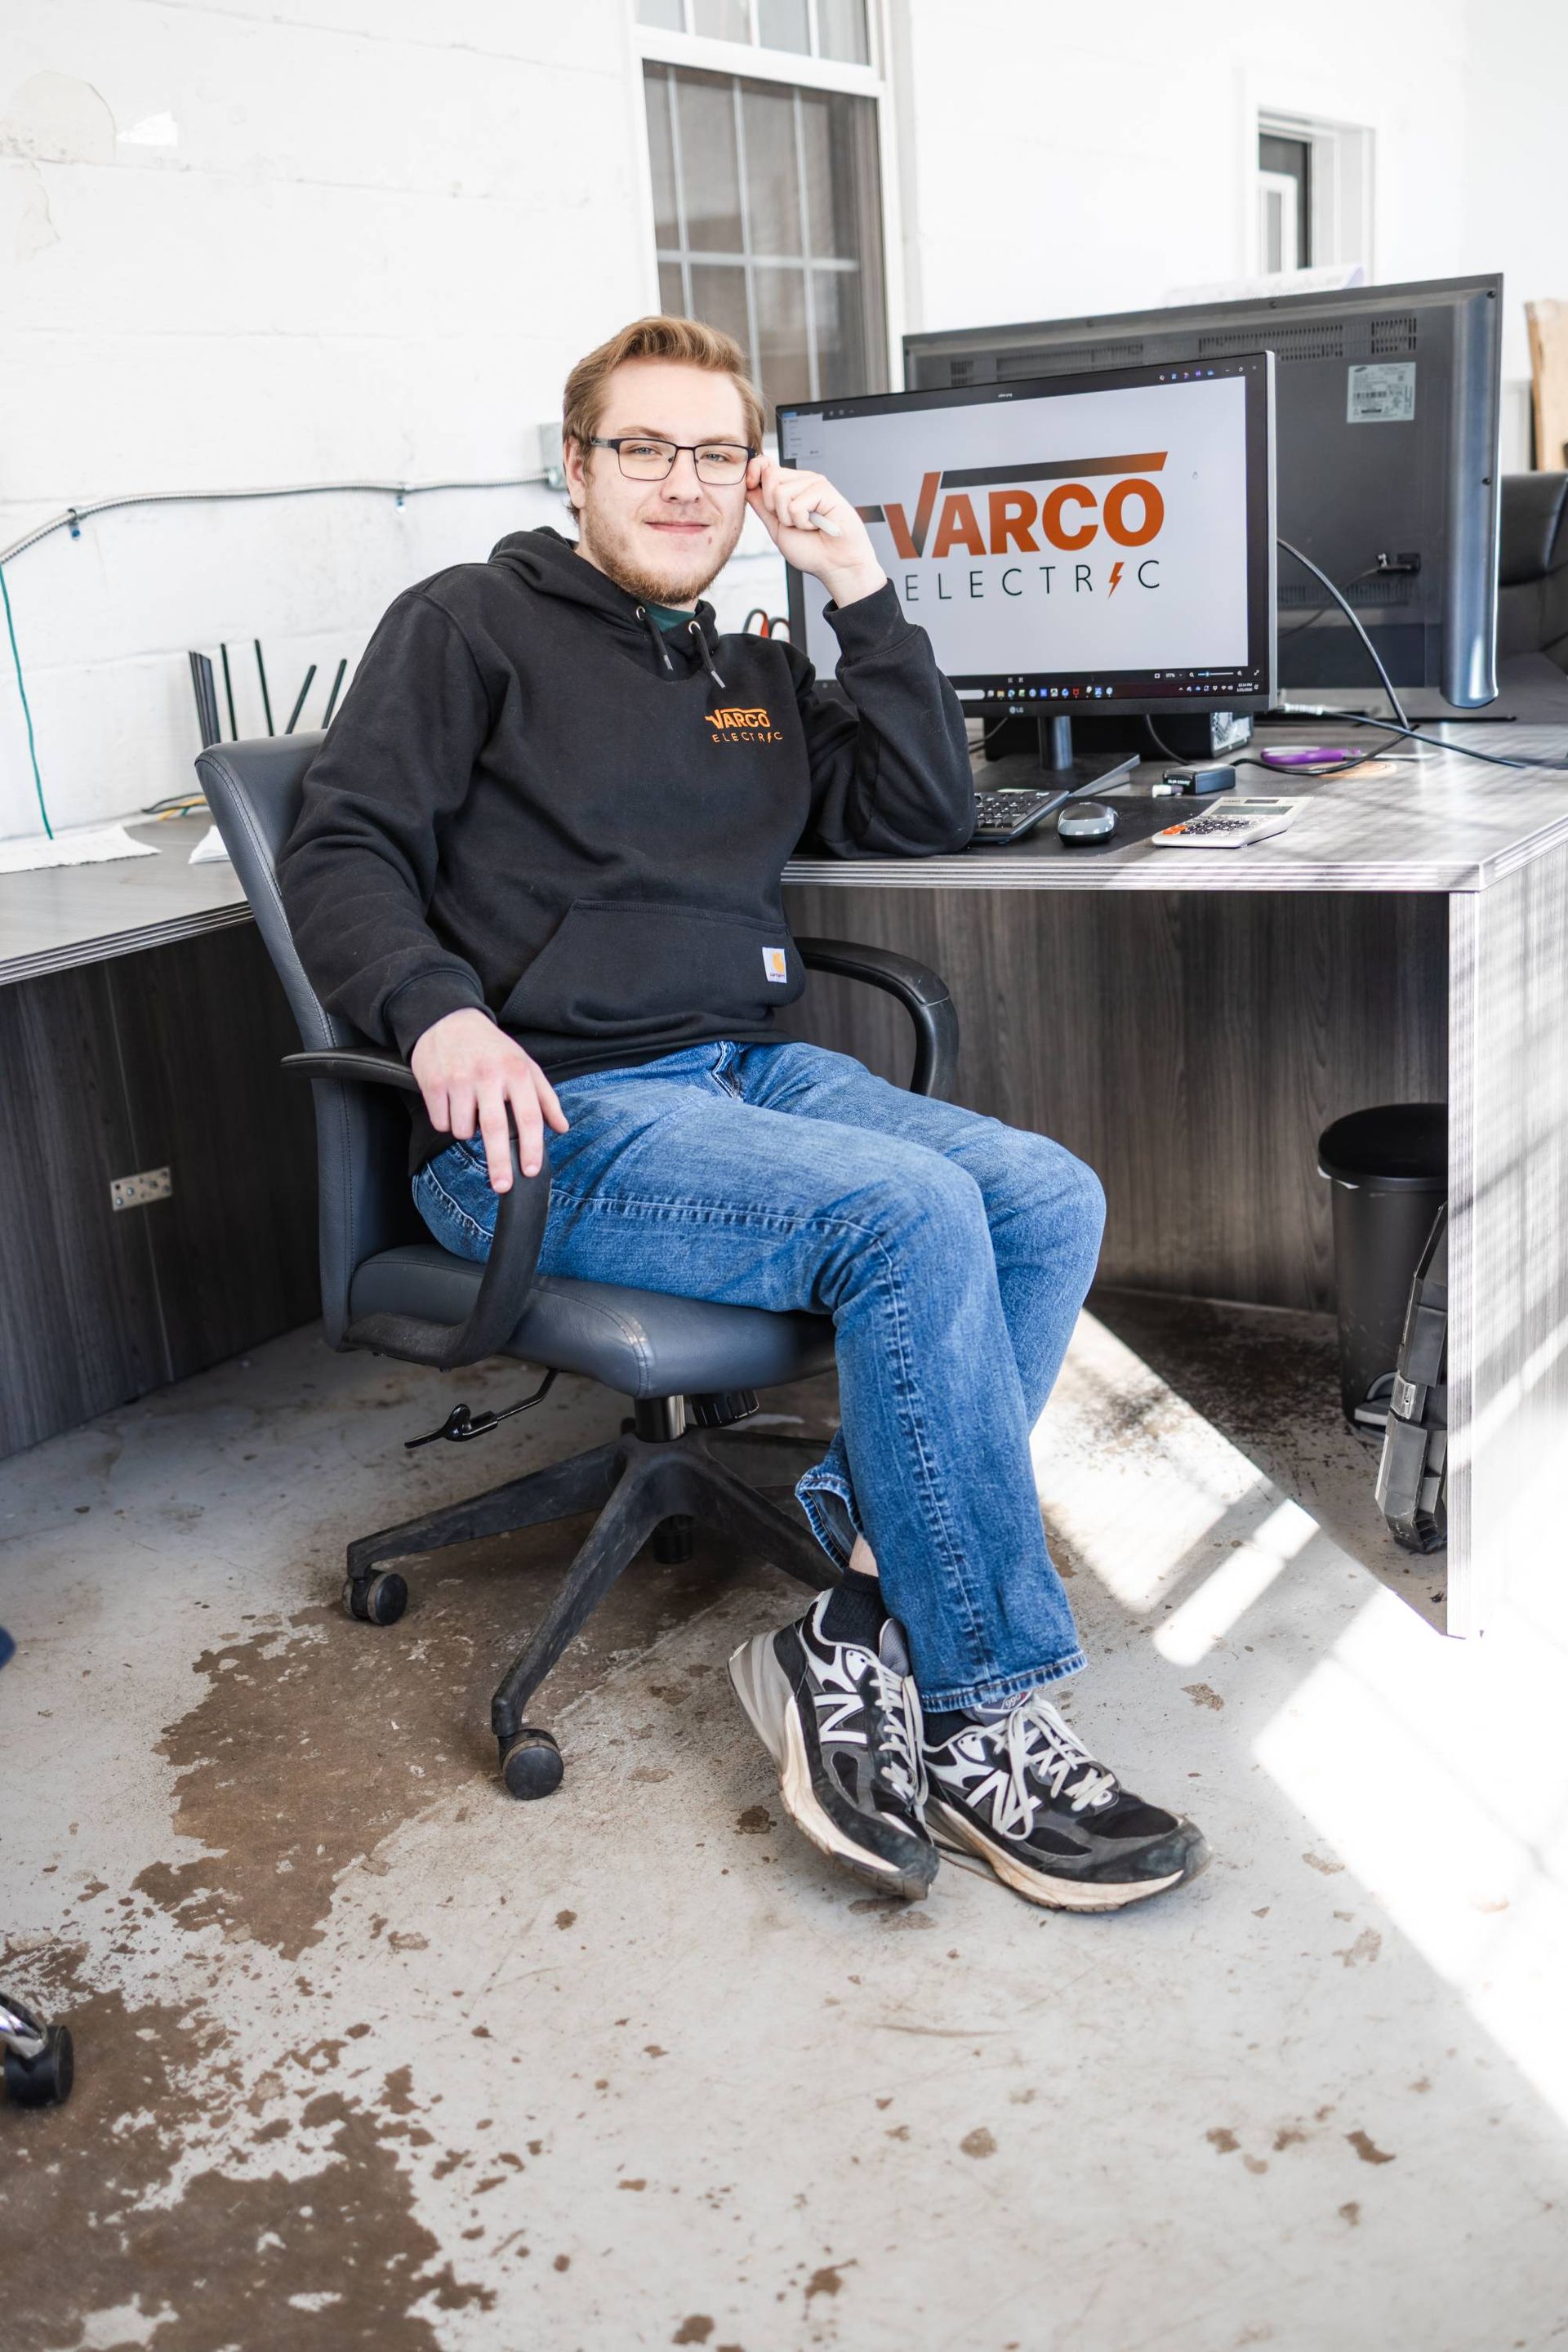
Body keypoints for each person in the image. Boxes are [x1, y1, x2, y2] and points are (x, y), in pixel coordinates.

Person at [278, 314, 1207, 1913]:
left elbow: (924, 809)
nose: (683, 482)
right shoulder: (466, 627)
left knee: (1046, 1196)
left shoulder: (751, 670)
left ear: (754, 478)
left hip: (746, 1076)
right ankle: (981, 1715)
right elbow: (339, 850)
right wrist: (439, 1017)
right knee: (908, 1215)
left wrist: (863, 590)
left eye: (718, 453)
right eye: (644, 447)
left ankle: (851, 1614)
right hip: (553, 1117)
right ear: (578, 468)